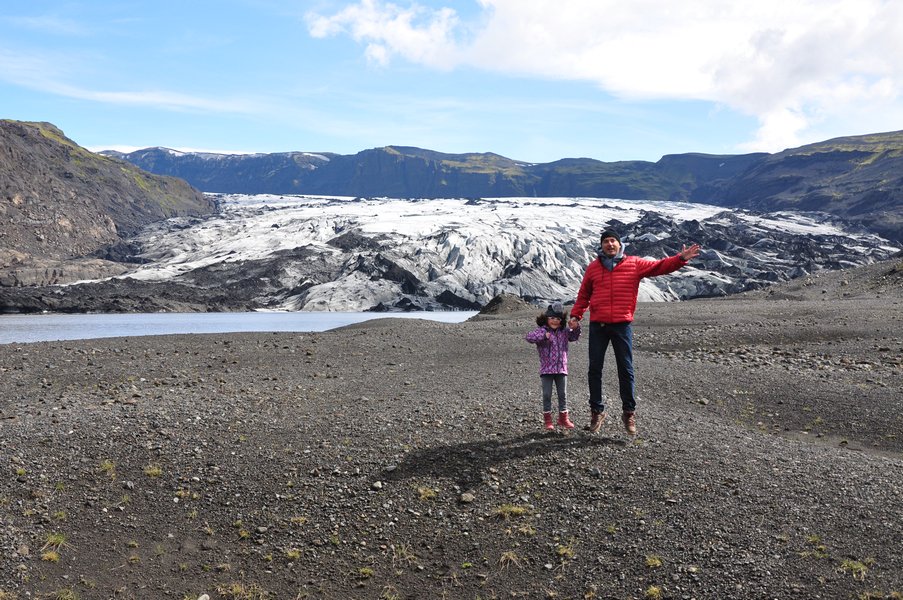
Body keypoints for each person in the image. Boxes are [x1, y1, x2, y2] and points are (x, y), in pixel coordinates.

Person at [569, 228, 700, 435]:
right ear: (601, 245)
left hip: (622, 325)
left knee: (626, 370)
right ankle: (596, 411)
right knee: (594, 369)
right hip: (598, 326)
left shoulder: (634, 264)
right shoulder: (593, 268)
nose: (610, 244)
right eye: (606, 241)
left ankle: (629, 413)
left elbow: (659, 267)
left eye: (613, 241)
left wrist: (680, 259)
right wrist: (576, 315)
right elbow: (584, 294)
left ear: (620, 244)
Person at [525, 302, 582, 431]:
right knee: (547, 394)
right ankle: (548, 420)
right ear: (546, 318)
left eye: (558, 319)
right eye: (552, 318)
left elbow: (574, 336)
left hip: (561, 369)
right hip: (546, 370)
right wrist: (543, 336)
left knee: (563, 394)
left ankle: (563, 418)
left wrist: (576, 326)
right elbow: (529, 337)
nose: (555, 321)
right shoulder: (542, 331)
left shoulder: (564, 332)